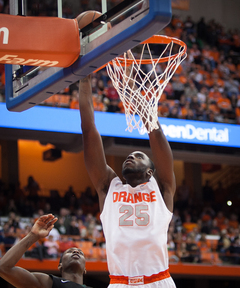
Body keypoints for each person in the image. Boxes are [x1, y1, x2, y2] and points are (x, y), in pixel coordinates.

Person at [79, 74, 177, 287]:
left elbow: (155, 131)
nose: (131, 157)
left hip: (158, 280)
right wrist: (84, 80)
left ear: (151, 172)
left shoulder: (161, 187)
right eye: (129, 156)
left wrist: (138, 99)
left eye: (139, 156)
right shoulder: (109, 187)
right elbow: (88, 131)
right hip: (119, 282)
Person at [0, 214, 88, 288]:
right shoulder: (48, 283)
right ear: (60, 265)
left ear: (85, 269)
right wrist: (33, 235)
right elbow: (3, 268)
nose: (76, 252)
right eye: (69, 252)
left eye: (81, 253)